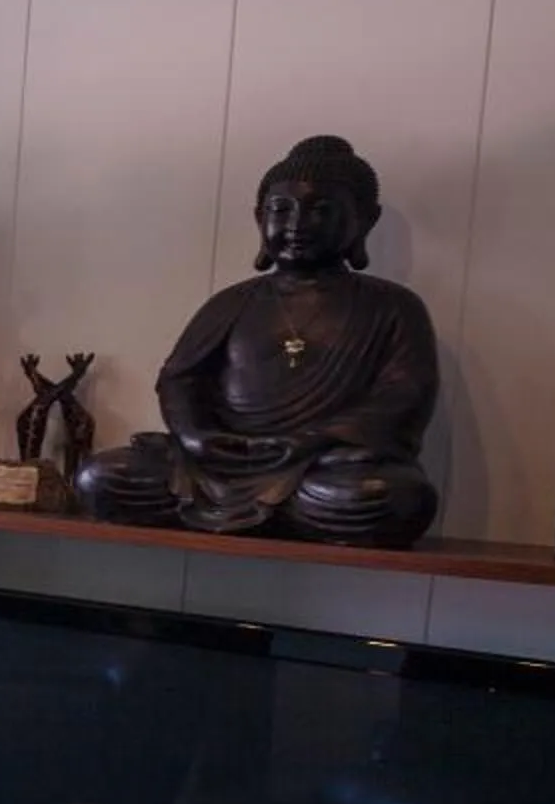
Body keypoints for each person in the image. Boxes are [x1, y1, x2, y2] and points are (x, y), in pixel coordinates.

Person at [75, 136, 439, 546]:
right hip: (216, 463)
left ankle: (259, 511)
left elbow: (405, 395)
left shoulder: (392, 306)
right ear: (258, 218)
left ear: (363, 221)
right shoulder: (233, 302)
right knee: (99, 477)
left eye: (322, 211)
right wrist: (197, 435)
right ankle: (267, 514)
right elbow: (181, 380)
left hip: (317, 465)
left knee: (394, 497)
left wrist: (312, 441)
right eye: (281, 209)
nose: (298, 225)